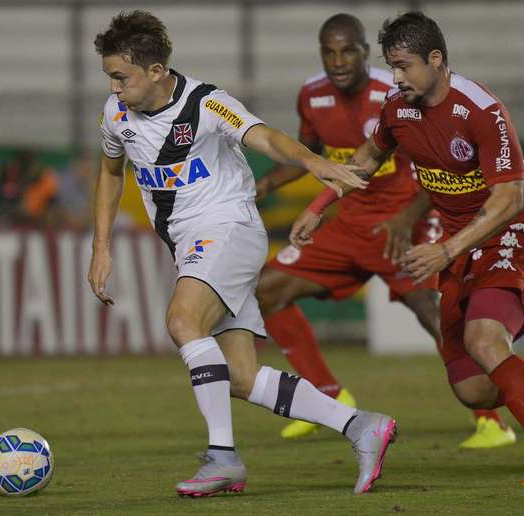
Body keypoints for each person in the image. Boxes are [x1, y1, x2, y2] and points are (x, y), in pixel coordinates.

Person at [291, 12, 524, 485]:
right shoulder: (398, 107)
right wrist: (319, 206)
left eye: (405, 66)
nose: (397, 77)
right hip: (457, 246)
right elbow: (366, 160)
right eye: (392, 66)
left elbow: (510, 197)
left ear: (437, 60)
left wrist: (448, 249)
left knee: (486, 341)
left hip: (505, 236)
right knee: (474, 388)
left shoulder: (481, 111)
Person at [89, 10, 396, 497]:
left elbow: (267, 137)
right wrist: (100, 246)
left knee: (182, 321)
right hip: (191, 243)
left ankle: (223, 457)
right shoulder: (115, 116)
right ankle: (362, 426)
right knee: (239, 377)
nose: (113, 89)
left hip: (229, 229)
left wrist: (316, 163)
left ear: (155, 71)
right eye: (110, 78)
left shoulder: (208, 104)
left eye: (120, 77)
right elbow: (109, 173)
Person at [255, 13, 514, 449]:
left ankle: (491, 419)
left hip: (404, 222)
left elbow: (441, 167)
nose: (337, 61)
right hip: (350, 224)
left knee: (435, 314)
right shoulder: (312, 95)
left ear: (363, 51)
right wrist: (264, 186)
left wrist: (408, 218)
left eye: (347, 50)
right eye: (328, 52)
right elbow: (311, 156)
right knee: (266, 290)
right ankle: (329, 396)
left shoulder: (395, 93)